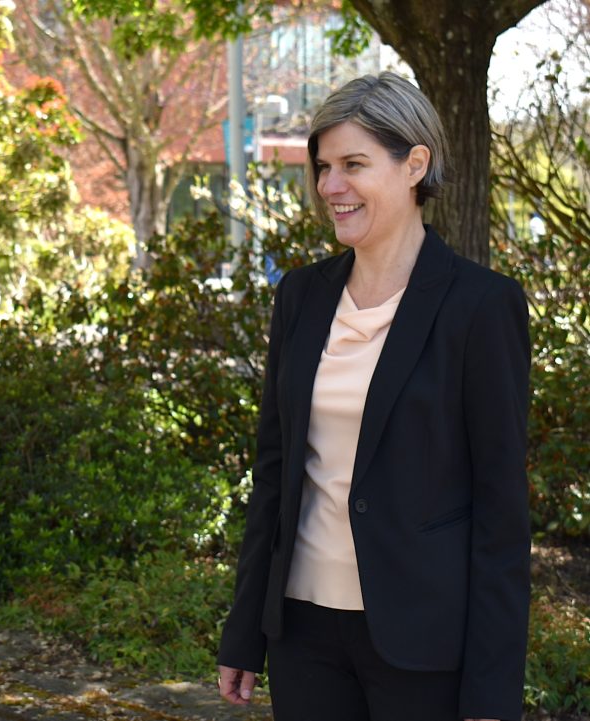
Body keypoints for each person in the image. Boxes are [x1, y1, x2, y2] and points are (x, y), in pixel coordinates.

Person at [216, 72, 531, 721]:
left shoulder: (481, 307)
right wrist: (246, 629)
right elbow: (274, 475)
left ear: (415, 164)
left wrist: (492, 692)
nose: (331, 186)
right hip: (302, 633)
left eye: (353, 164)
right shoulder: (301, 296)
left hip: (423, 642)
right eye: (324, 166)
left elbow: (501, 513)